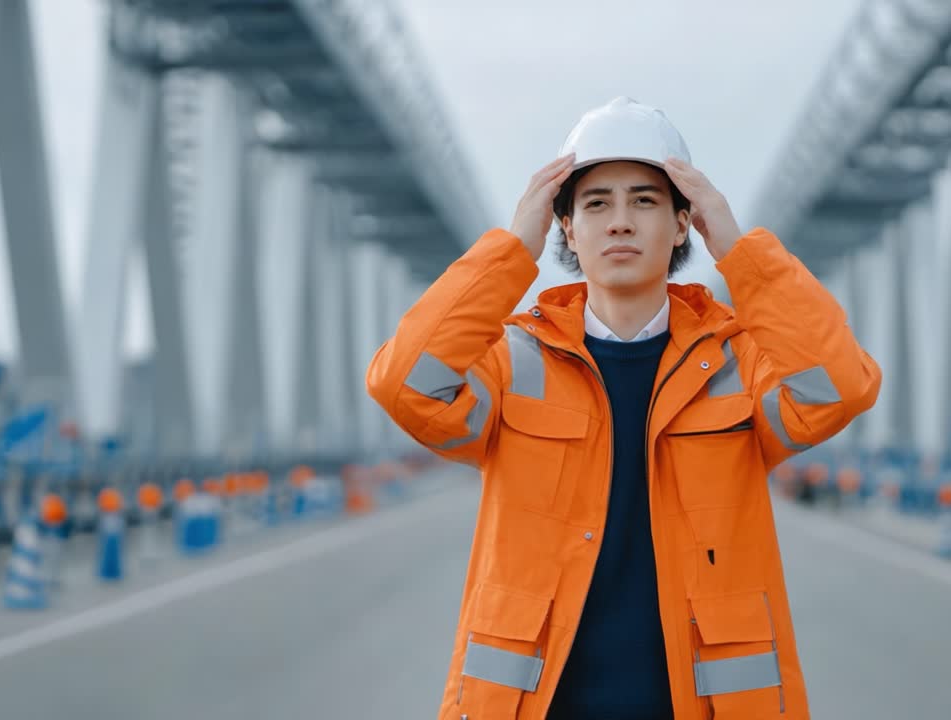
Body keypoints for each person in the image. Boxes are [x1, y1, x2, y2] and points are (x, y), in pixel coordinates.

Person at [367, 96, 881, 720]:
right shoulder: (512, 364)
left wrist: (739, 248)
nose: (619, 222)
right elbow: (402, 385)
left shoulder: (737, 366)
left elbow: (843, 385)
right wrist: (509, 252)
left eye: (645, 200)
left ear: (684, 223)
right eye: (595, 203)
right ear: (565, 227)